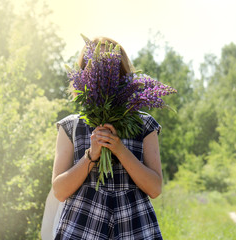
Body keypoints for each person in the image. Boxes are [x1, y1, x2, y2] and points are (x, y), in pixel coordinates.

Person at [52, 36, 163, 239]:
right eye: (94, 65)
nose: (102, 72)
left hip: (135, 227)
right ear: (85, 72)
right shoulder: (70, 126)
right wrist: (91, 156)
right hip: (82, 228)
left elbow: (155, 188)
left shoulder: (145, 125)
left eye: (109, 65)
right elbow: (59, 192)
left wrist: (119, 149)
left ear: (120, 70)